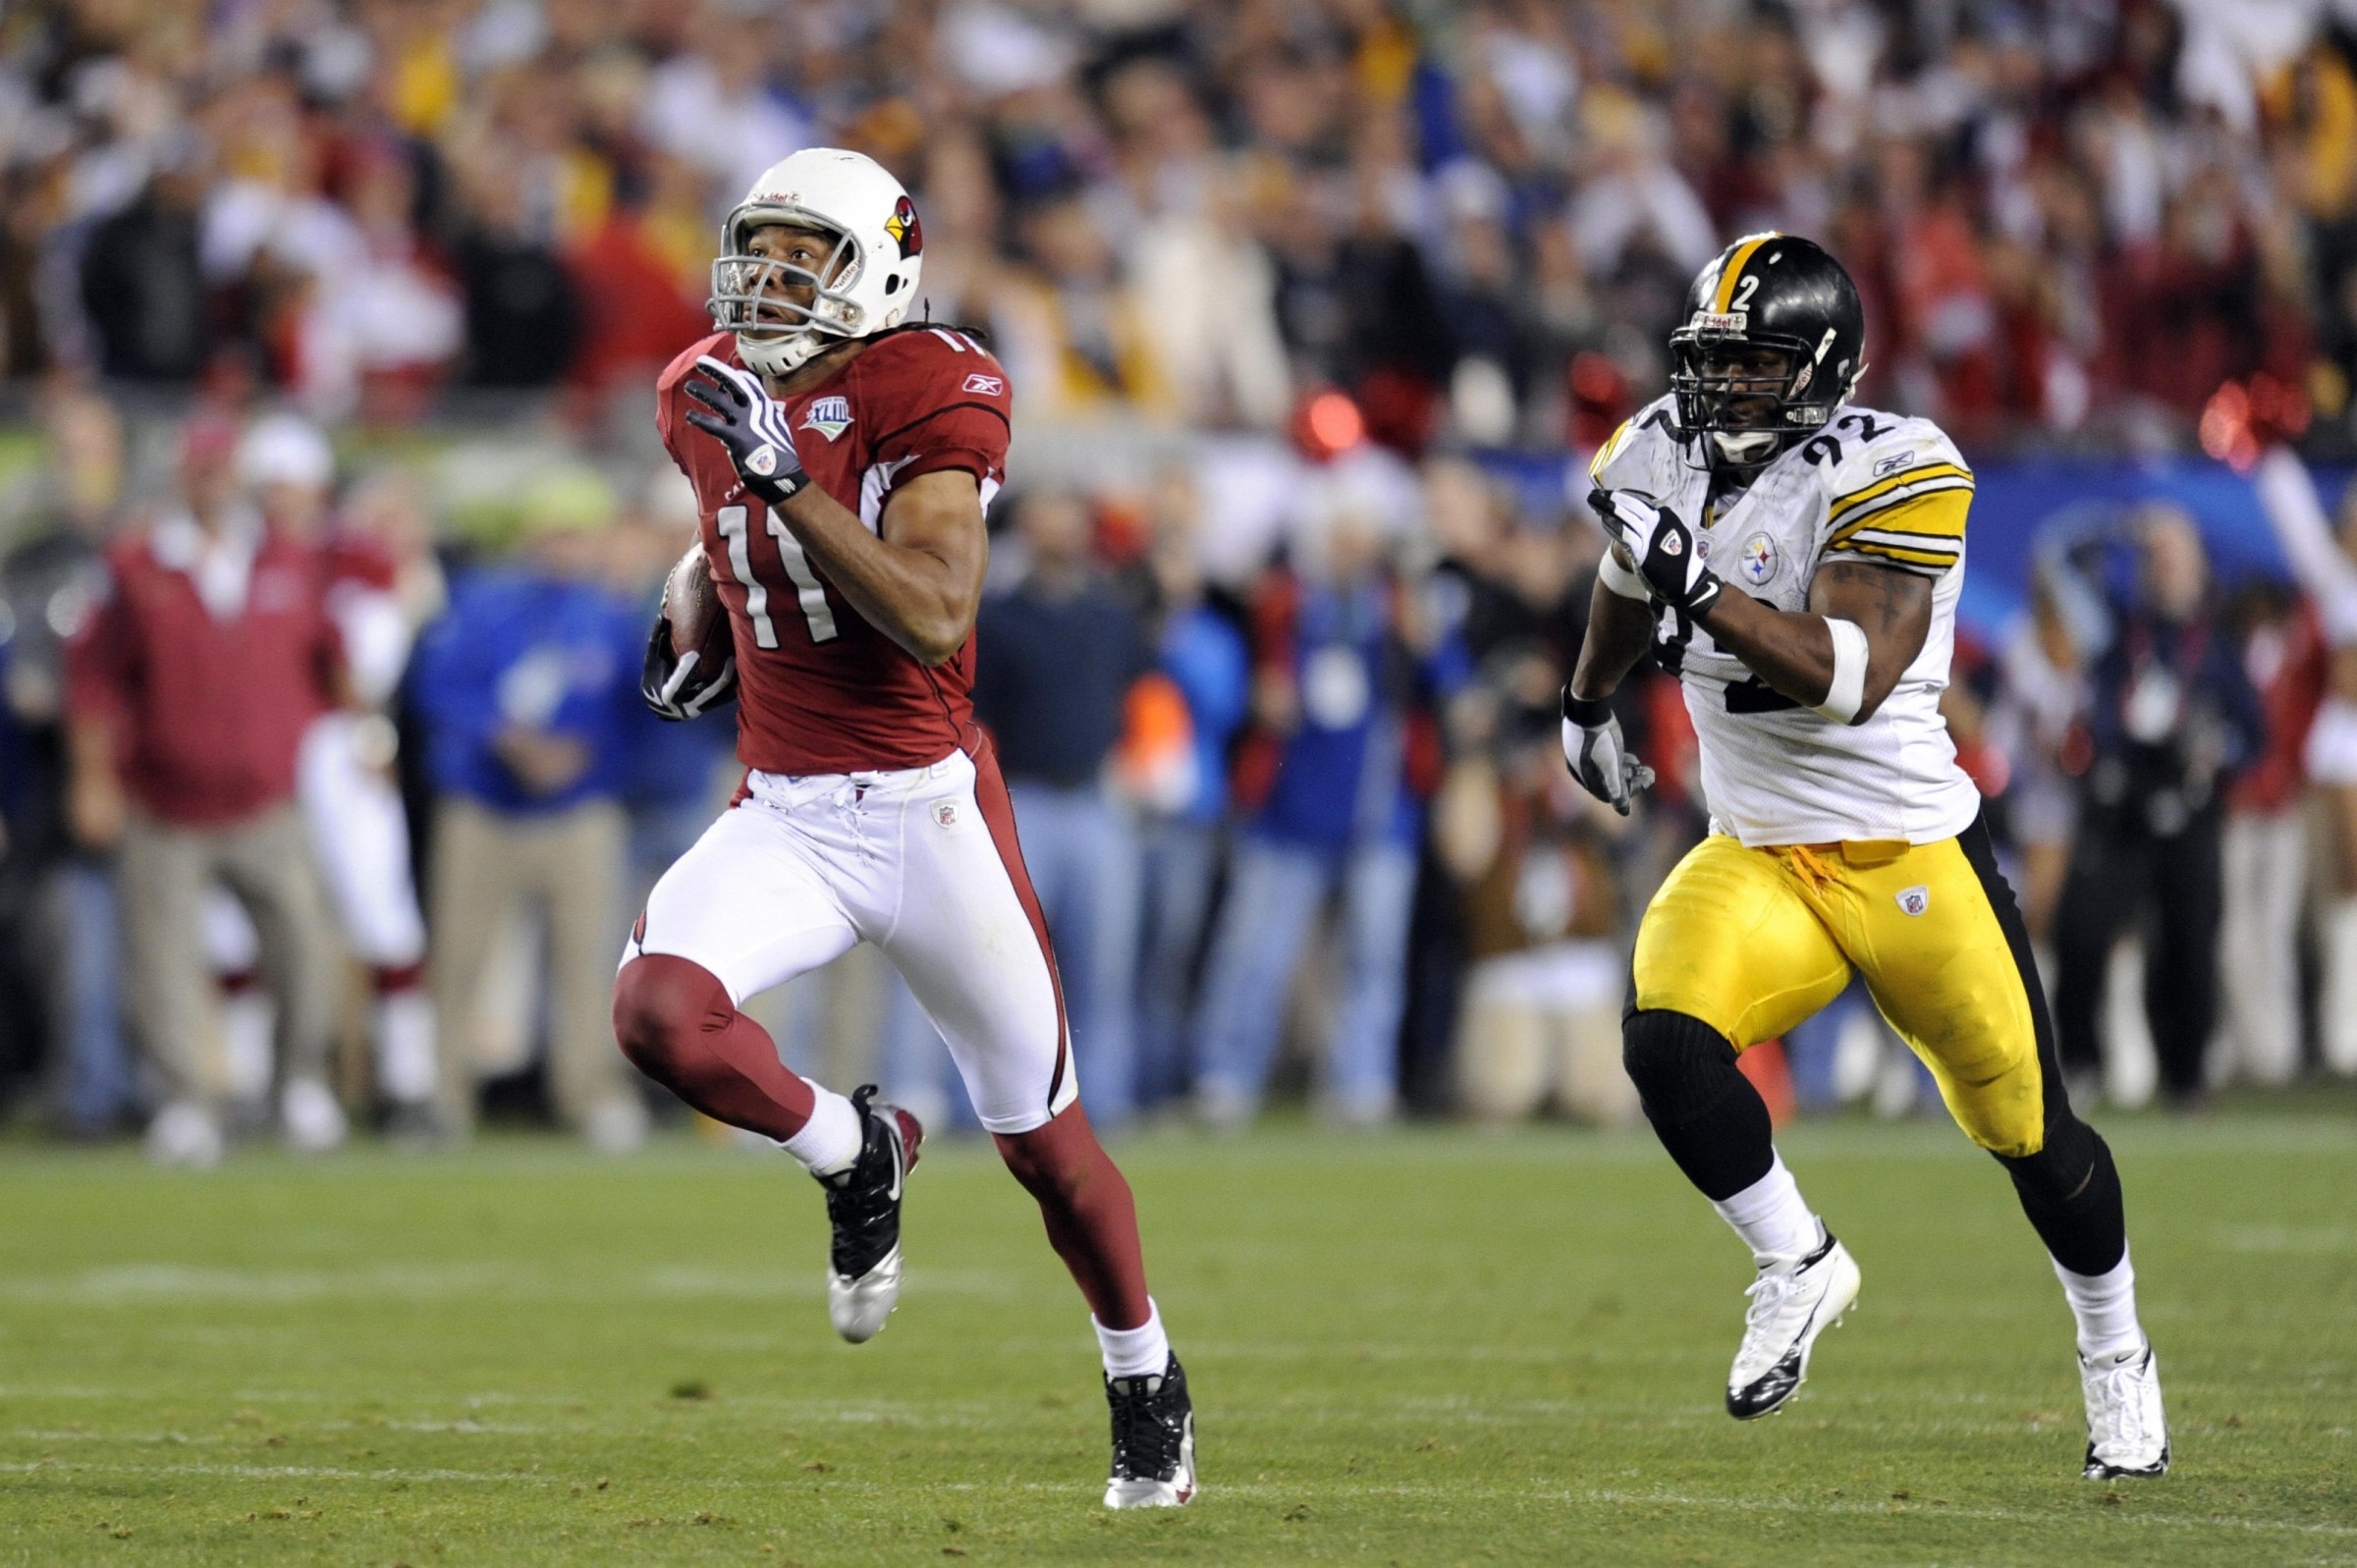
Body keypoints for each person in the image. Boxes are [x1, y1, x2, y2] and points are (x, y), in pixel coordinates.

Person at [609, 148, 1194, 1508]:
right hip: (789, 808)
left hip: (931, 811)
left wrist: (782, 491)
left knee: (1047, 1145)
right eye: (752, 247)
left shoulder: (937, 379)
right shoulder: (699, 390)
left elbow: (936, 607)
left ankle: (1143, 1370)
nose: (762, 278)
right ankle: (852, 1149)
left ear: (873, 267)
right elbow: (720, 526)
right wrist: (701, 592)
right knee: (654, 1013)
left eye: (798, 254)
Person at [1561, 234, 2168, 1480]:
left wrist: (1702, 588)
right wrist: (1585, 704)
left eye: (1758, 365)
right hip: (1763, 852)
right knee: (1665, 1039)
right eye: (1713, 363)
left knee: (2034, 1135)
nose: (1725, 390)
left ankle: (2116, 1354)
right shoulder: (1663, 449)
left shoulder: (1901, 463)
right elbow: (1629, 575)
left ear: (1826, 368)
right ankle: (1797, 1258)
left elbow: (1848, 674)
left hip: (1906, 855)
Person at [63, 415, 347, 1164]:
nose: (212, 483)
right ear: (182, 477)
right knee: (162, 961)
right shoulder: (138, 566)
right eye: (201, 470)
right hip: (165, 801)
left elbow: (333, 662)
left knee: (304, 946)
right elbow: (92, 683)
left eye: (223, 470)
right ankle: (185, 1099)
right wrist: (93, 778)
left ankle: (299, 1084)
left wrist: (352, 739)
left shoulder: (287, 559)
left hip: (265, 799)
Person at [409, 465, 649, 1151]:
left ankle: (588, 1092)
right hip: (484, 804)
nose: (566, 547)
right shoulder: (484, 602)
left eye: (578, 534)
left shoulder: (612, 613)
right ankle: (443, 1093)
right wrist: (504, 738)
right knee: (460, 956)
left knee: (587, 964)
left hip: (579, 808)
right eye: (556, 532)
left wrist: (588, 758)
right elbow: (438, 689)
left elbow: (643, 713)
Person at [2050, 512, 2262, 1107]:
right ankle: (2082, 1062)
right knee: (2083, 931)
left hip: (2192, 807)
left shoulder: (2218, 644)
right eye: (2157, 558)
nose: (2166, 568)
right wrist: (2123, 529)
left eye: (2177, 556)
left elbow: (2254, 735)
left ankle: (2186, 1077)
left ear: (2198, 568)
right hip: (2121, 803)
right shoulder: (2117, 629)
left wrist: (2220, 751)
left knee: (2190, 945)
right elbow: (2058, 556)